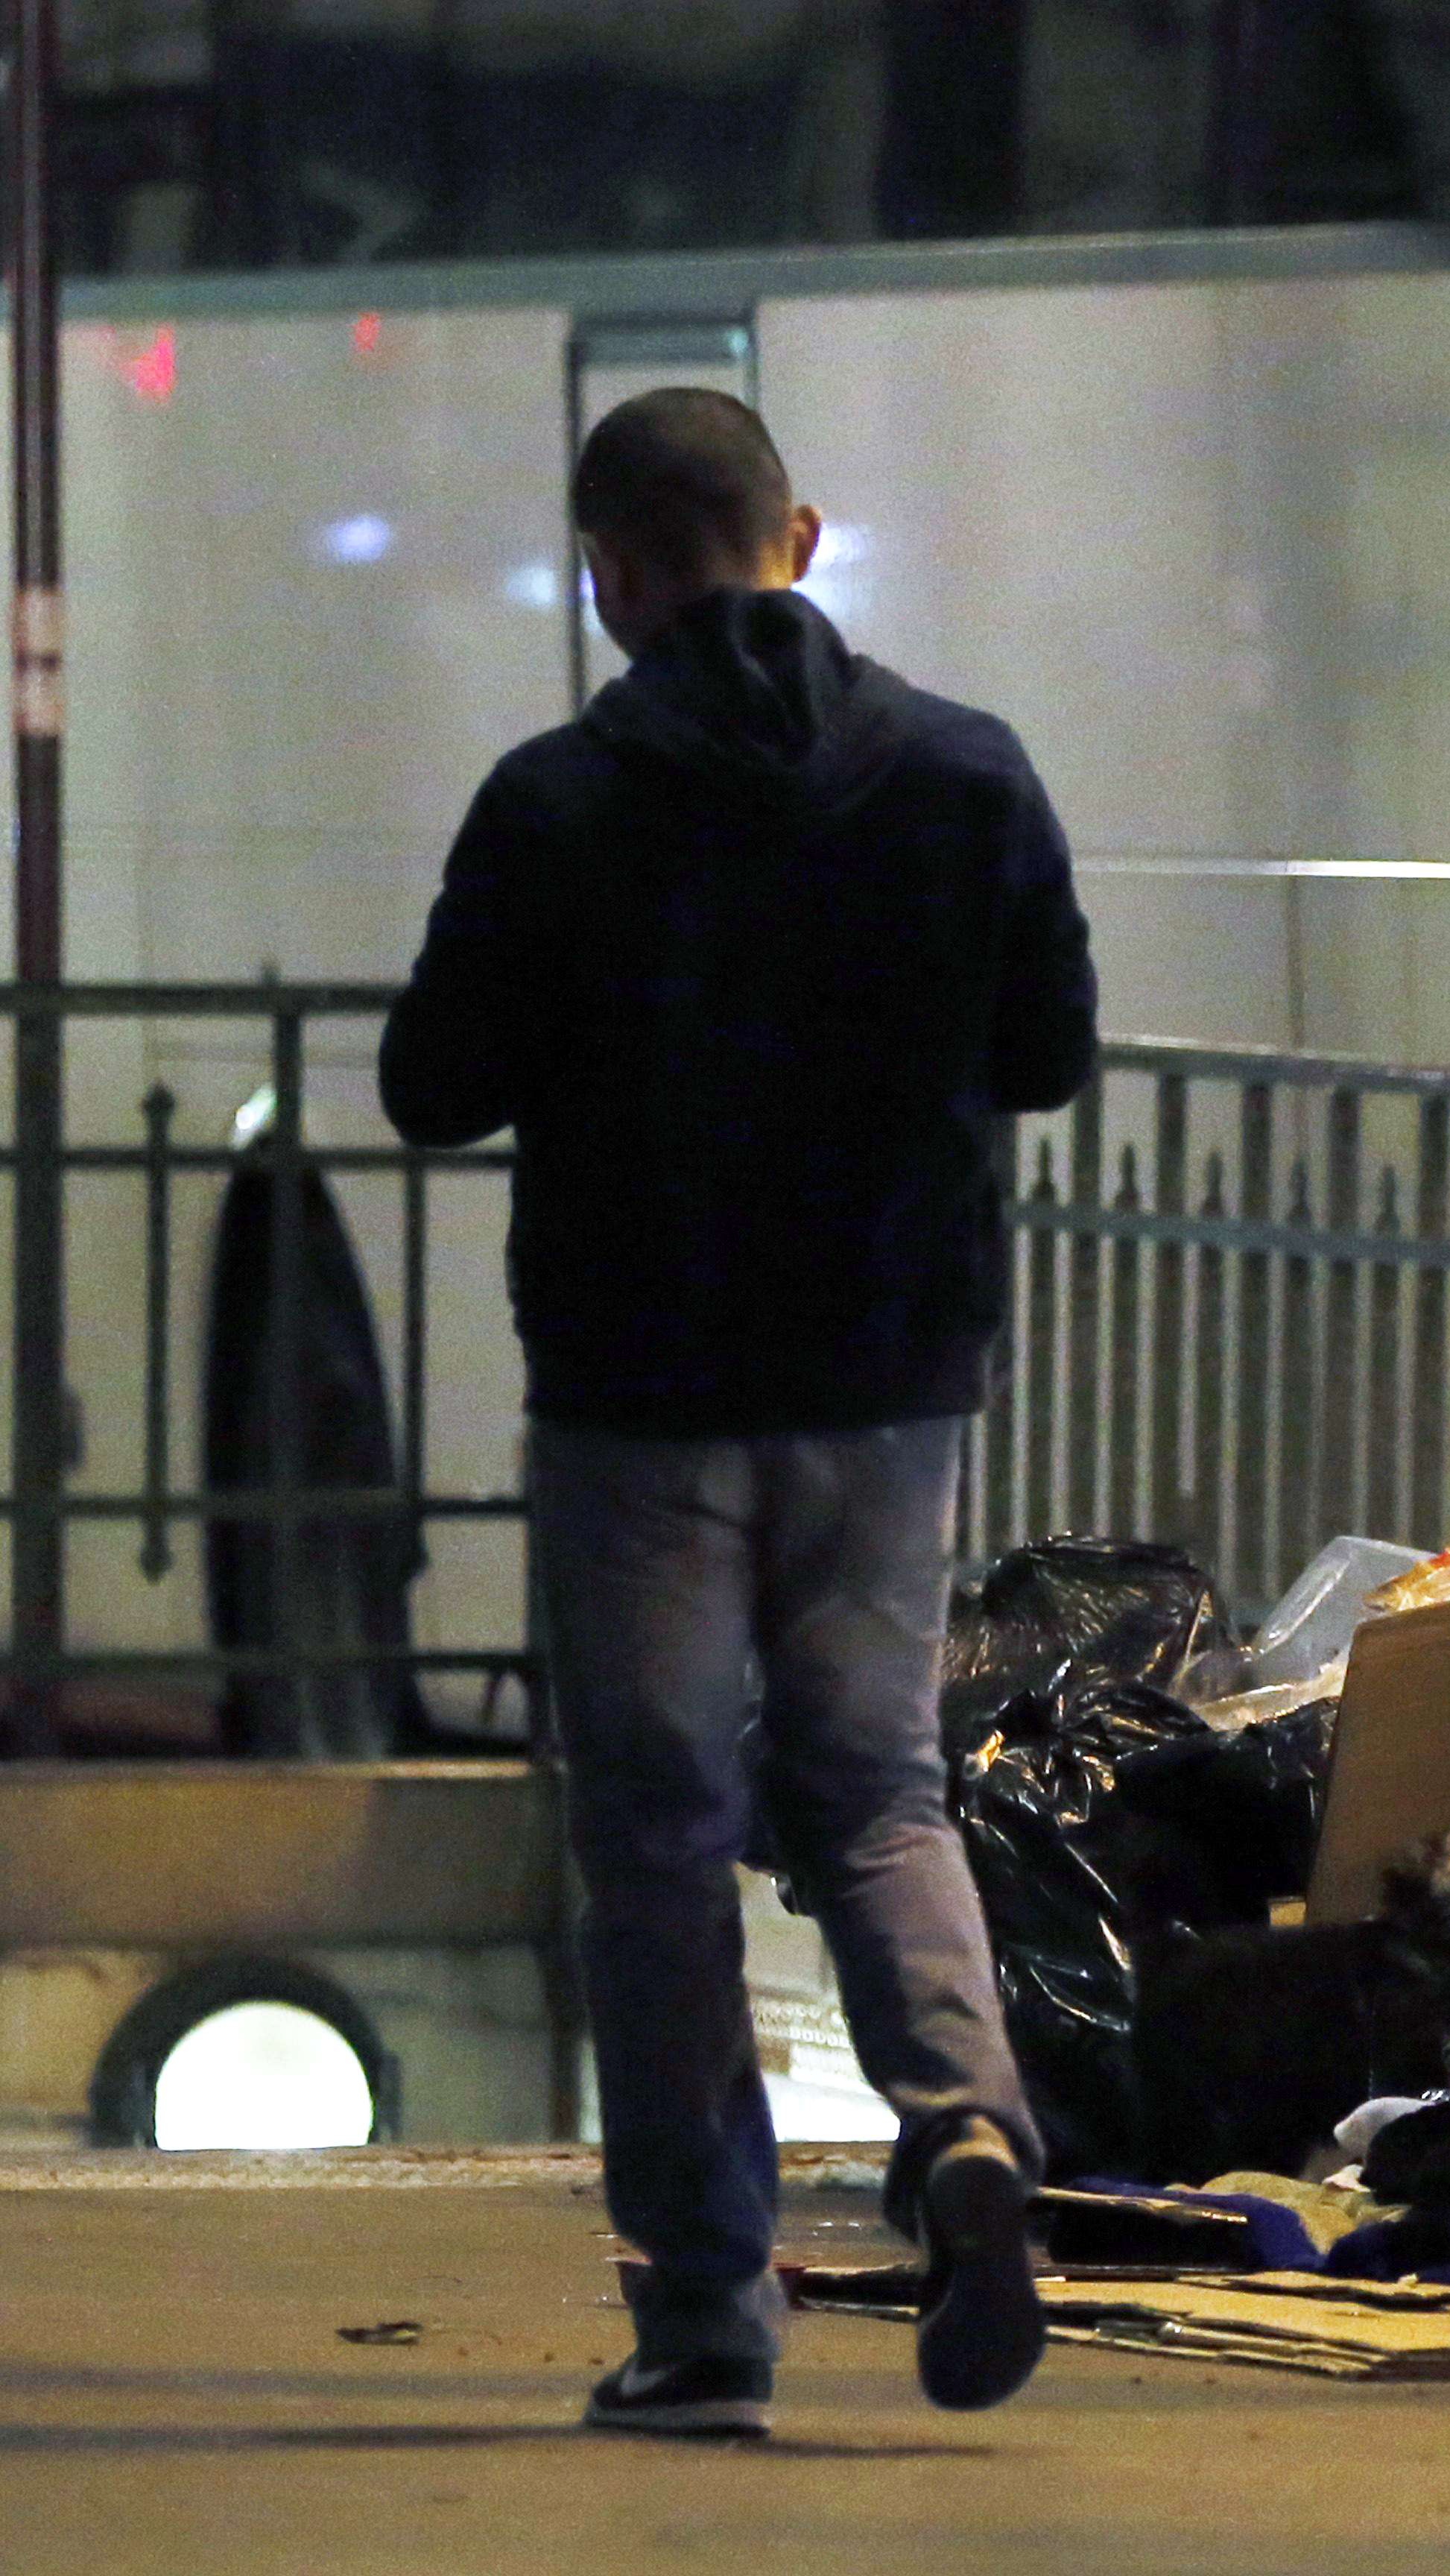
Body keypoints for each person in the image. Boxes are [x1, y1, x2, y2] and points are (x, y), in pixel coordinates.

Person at [380, 388, 1097, 2440]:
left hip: (640, 1406)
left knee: (661, 1841)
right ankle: (967, 2128)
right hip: (885, 1386)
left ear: (610, 578)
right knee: (879, 1791)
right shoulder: (966, 772)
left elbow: (433, 1085)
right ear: (800, 535)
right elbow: (1043, 1052)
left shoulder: (554, 803)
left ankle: (707, 2314)